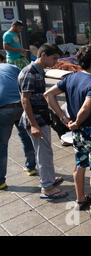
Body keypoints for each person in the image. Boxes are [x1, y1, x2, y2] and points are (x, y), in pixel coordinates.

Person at [45, 45, 91, 216]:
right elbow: (85, 108)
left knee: (80, 164)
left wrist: (64, 118)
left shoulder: (71, 77)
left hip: (78, 134)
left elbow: (48, 95)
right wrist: (75, 121)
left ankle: (80, 199)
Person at [18, 43, 68, 199]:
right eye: (54, 58)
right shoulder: (29, 73)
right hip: (36, 119)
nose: (55, 62)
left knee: (46, 151)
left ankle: (50, 179)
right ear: (43, 55)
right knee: (43, 154)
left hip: (41, 117)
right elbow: (25, 100)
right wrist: (33, 125)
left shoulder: (38, 71)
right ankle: (47, 188)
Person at [0, 53, 37, 190]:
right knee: (26, 137)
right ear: (3, 59)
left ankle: (1, 181)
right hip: (21, 105)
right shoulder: (12, 67)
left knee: (2, 145)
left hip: (3, 108)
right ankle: (31, 167)